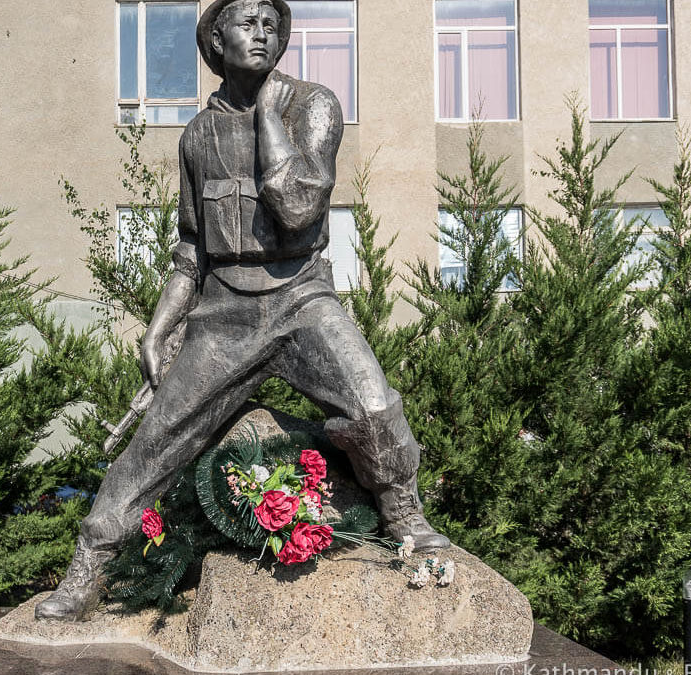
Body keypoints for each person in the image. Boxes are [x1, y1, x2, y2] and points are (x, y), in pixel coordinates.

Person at [36, 0, 450, 622]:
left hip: (300, 298)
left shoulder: (312, 106)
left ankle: (403, 512)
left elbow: (295, 208)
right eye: (247, 23)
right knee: (153, 443)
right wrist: (159, 328)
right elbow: (189, 247)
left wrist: (267, 115)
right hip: (223, 310)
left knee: (372, 402)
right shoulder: (197, 135)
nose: (263, 34)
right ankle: (90, 564)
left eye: (272, 25)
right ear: (215, 38)